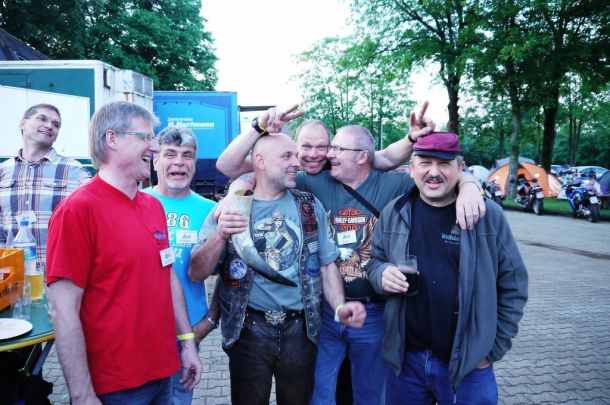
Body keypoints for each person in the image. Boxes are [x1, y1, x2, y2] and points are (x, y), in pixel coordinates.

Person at [217, 105, 485, 403]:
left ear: (361, 157)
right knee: (319, 394)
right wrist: (238, 188)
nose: (326, 154)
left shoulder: (391, 183)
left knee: (369, 394)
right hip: (323, 313)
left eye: (333, 148)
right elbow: (235, 168)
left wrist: (469, 184)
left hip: (374, 312)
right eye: (317, 147)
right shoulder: (309, 180)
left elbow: (434, 177)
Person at [189, 133, 366, 405]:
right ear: (260, 161)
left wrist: (340, 307)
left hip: (301, 331)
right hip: (248, 331)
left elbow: (327, 265)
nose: (297, 162)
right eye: (287, 156)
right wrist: (220, 234)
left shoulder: (309, 206)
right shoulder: (230, 207)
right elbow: (197, 272)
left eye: (295, 155)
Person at [46, 102, 201, 404]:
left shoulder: (153, 206)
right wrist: (82, 395)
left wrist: (187, 343)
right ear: (112, 139)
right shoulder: (77, 210)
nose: (154, 147)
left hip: (165, 372)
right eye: (146, 137)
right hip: (117, 385)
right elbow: (62, 309)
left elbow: (168, 276)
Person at [367, 132, 528, 404]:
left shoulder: (486, 216)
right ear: (412, 168)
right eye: (425, 163)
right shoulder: (394, 212)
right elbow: (374, 261)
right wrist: (381, 274)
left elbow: (514, 285)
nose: (433, 172)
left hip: (468, 366)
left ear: (460, 168)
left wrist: (492, 349)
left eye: (444, 163)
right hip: (406, 363)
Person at [142, 126, 218, 404]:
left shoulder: (210, 211)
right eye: (170, 154)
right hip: (140, 332)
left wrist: (210, 321)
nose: (179, 162)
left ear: (195, 164)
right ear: (155, 161)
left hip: (188, 333)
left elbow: (229, 275)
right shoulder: (136, 202)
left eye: (187, 155)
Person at [216, 103, 435, 177]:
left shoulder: (337, 165)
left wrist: (411, 138)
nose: (314, 154)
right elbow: (227, 166)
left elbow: (386, 157)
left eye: (321, 146)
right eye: (306, 146)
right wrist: (259, 127)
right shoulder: (282, 166)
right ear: (295, 146)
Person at [0, 104, 90, 263]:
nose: (49, 126)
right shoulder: (3, 171)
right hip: (13, 274)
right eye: (42, 119)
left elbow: (94, 220)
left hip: (58, 274)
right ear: (22, 123)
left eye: (56, 124)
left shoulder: (74, 171)